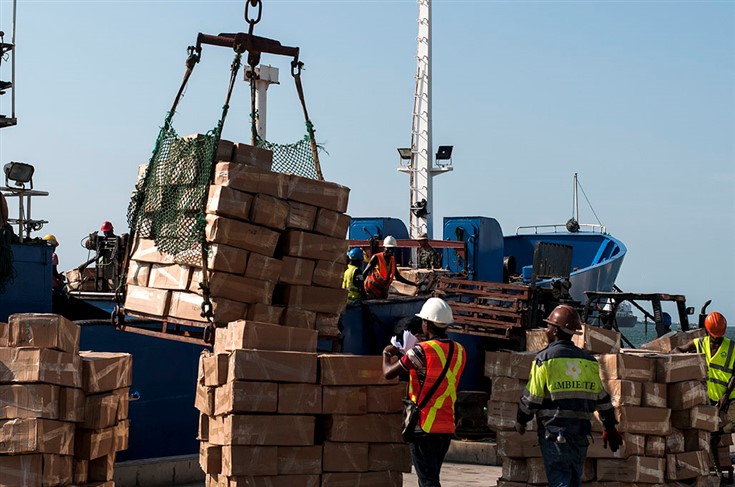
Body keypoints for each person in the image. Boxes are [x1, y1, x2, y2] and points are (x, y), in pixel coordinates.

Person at [515, 304, 622, 487]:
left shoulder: (545, 359)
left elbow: (532, 397)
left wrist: (521, 420)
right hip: (580, 434)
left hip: (554, 434)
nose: (546, 330)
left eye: (548, 326)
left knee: (561, 482)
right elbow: (602, 399)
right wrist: (610, 427)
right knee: (573, 480)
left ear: (555, 330)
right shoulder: (588, 361)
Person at [382, 297, 466, 487]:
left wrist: (388, 353)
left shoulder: (421, 351)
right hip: (446, 426)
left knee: (428, 482)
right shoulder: (460, 350)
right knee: (430, 478)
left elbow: (388, 373)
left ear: (427, 323)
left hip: (424, 426)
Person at [674, 311, 733, 479]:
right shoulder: (700, 343)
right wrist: (685, 360)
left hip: (728, 397)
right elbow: (678, 349)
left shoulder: (731, 346)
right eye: (714, 335)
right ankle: (717, 473)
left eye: (719, 335)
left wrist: (726, 396)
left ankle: (716, 463)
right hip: (707, 398)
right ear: (707, 332)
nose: (716, 338)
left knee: (727, 426)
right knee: (710, 435)